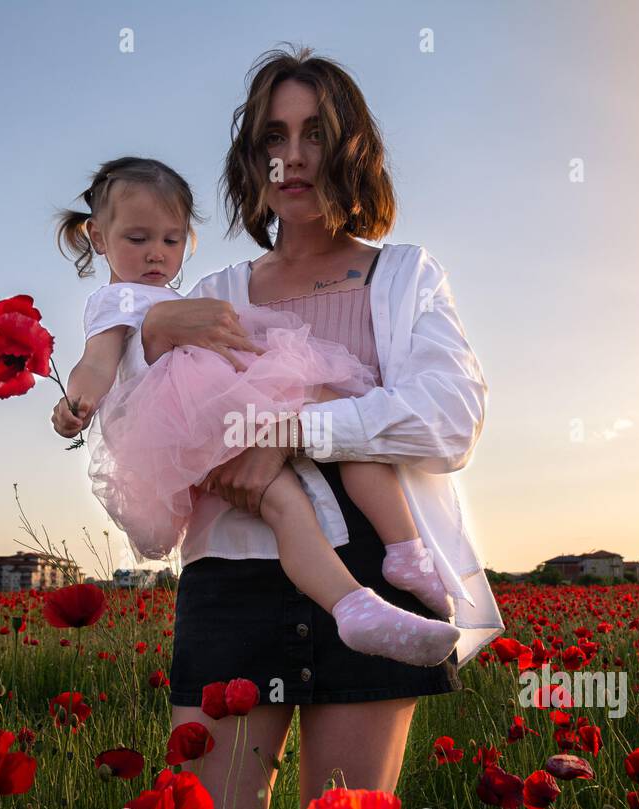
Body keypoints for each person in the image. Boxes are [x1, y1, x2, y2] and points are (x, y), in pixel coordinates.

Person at [53, 156, 462, 667]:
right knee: (284, 503)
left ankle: (406, 553)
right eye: (138, 240)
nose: (156, 254)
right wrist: (80, 402)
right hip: (198, 426)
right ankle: (352, 605)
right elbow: (96, 363)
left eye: (171, 240)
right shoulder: (113, 302)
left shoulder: (190, 295)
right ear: (98, 237)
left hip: (238, 399)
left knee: (347, 418)